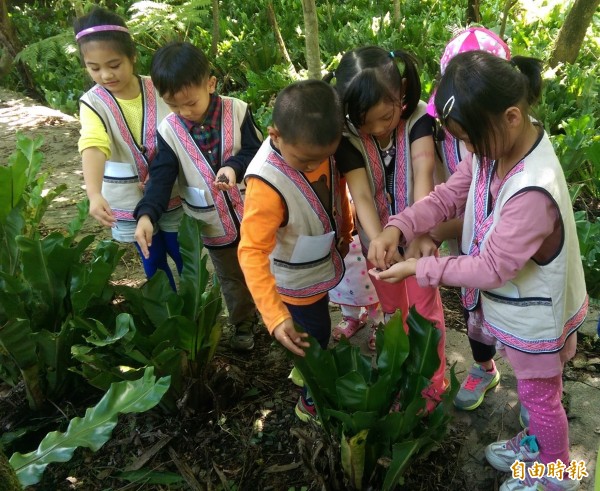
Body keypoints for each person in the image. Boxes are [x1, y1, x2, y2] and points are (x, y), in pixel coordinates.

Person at [369, 50, 588, 491]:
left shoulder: (533, 190)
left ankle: (557, 473)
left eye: (470, 140)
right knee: (536, 397)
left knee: (540, 399)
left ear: (510, 116)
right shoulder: (495, 150)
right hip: (521, 311)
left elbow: (490, 268)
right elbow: (449, 195)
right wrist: (400, 225)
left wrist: (419, 266)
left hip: (537, 318)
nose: (467, 150)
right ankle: (541, 447)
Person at [326, 46, 447, 410]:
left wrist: (421, 230)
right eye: (366, 123)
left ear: (403, 92)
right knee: (393, 311)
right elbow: (361, 193)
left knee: (426, 310)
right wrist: (379, 239)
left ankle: (431, 383)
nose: (378, 128)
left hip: (421, 239)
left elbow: (423, 171)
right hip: (377, 243)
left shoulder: (418, 118)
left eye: (385, 116)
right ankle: (399, 371)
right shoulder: (347, 137)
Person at [133, 41, 263, 351]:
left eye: (190, 103)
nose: (183, 112)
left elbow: (256, 152)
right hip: (213, 224)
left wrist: (234, 167)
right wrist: (147, 214)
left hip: (255, 216)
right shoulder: (169, 131)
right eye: (173, 105)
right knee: (231, 277)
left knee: (265, 266)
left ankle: (277, 314)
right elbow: (161, 177)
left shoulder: (238, 110)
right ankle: (243, 322)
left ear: (211, 84)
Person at [237, 80, 353, 422]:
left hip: (318, 264)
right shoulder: (265, 183)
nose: (313, 165)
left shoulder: (316, 147)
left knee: (316, 324)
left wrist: (345, 231)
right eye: (304, 161)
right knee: (314, 335)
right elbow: (251, 252)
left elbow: (338, 194)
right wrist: (274, 316)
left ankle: (305, 370)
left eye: (322, 158)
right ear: (275, 134)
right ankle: (310, 398)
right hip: (294, 279)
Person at [428, 27, 516, 415]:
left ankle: (536, 384)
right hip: (466, 239)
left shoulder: (523, 158)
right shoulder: (444, 132)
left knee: (517, 311)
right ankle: (484, 366)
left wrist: (430, 245)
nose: (468, 144)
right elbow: (447, 189)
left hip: (508, 248)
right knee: (475, 307)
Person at [75, 7, 183, 290]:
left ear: (132, 57)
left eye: (114, 64)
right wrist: (94, 193)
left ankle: (199, 306)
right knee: (152, 258)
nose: (106, 75)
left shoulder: (159, 88)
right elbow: (93, 144)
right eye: (94, 68)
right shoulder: (92, 103)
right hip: (126, 198)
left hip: (170, 191)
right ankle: (169, 312)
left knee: (184, 250)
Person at [329, 190, 383, 341]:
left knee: (370, 294)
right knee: (345, 289)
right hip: (339, 247)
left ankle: (378, 322)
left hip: (360, 243)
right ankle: (351, 317)